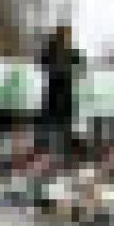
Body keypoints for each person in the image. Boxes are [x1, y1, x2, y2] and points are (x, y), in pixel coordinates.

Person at [37, 25, 83, 162]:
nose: (69, 38)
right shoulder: (55, 52)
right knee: (58, 123)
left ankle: (58, 152)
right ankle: (57, 153)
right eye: (67, 35)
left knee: (60, 123)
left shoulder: (65, 52)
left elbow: (78, 65)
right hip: (58, 93)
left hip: (60, 94)